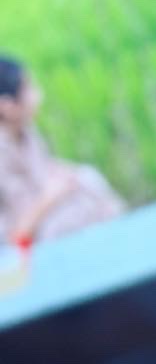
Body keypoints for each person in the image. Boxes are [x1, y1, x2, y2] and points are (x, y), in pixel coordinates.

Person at [0, 56, 125, 245]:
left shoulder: (24, 130)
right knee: (69, 219)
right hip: (20, 244)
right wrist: (52, 195)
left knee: (88, 179)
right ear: (7, 106)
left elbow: (44, 166)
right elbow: (17, 233)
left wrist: (67, 178)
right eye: (28, 90)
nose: (37, 96)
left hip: (42, 214)